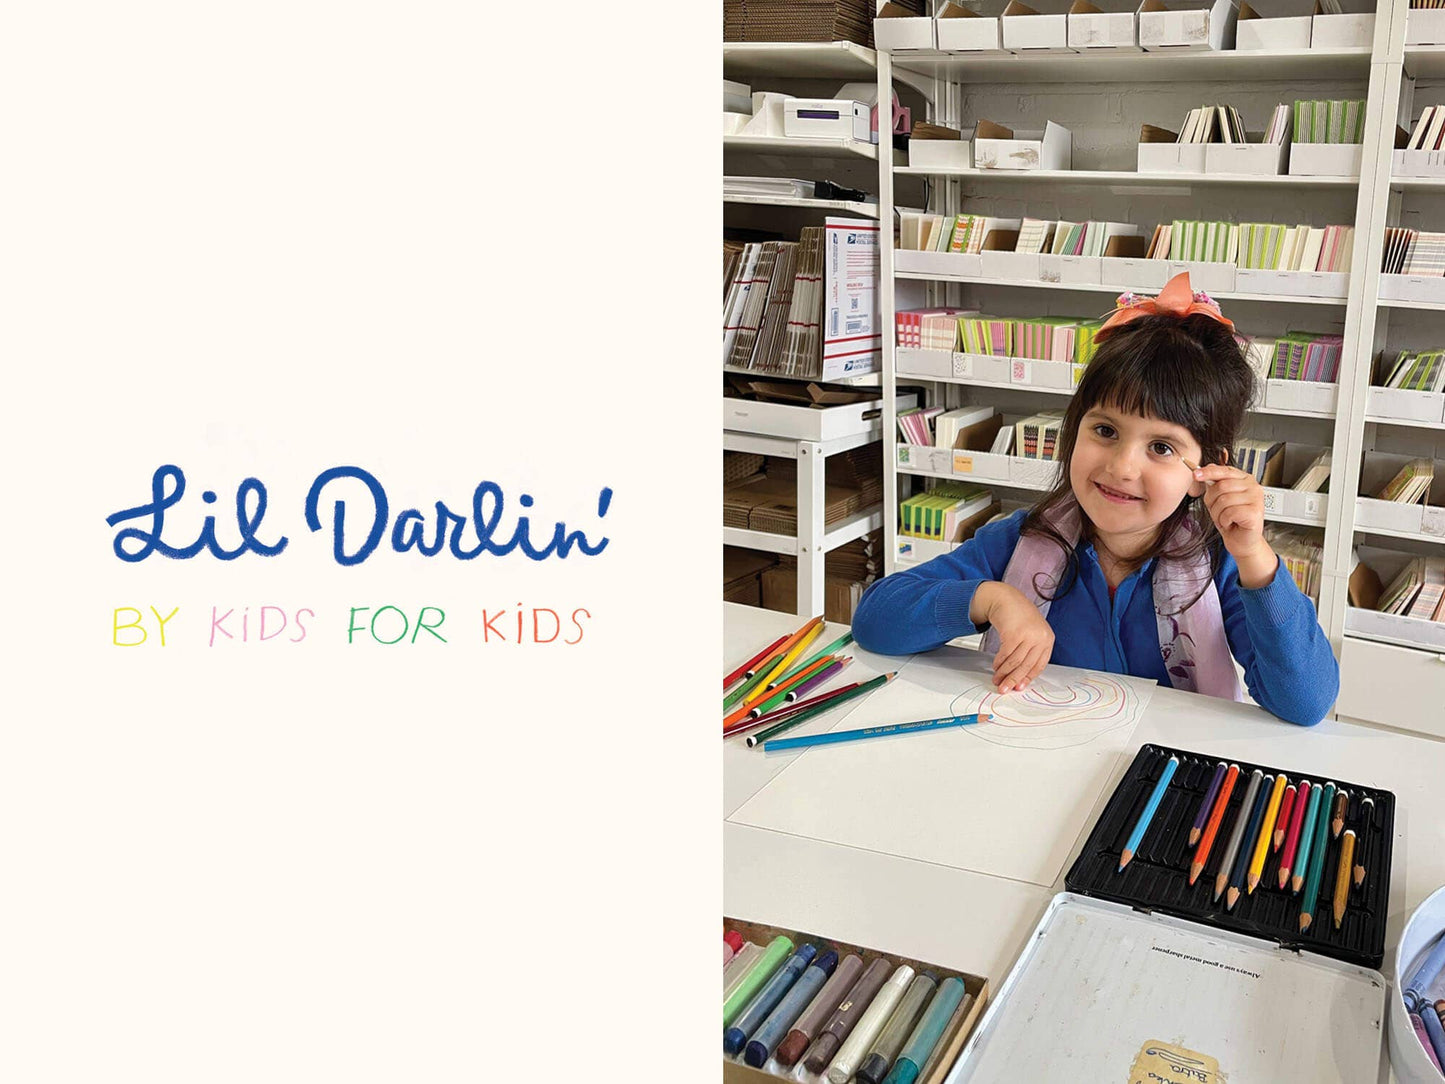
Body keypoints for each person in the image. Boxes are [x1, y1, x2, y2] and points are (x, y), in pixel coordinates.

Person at [852, 273, 1339, 727]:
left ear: (1205, 471)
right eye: (1105, 430)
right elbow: (875, 620)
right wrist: (990, 598)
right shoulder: (1020, 540)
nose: (1123, 467)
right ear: (1073, 431)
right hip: (1041, 758)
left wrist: (1255, 558)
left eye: (1162, 447)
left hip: (1163, 775)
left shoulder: (1218, 565)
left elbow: (1307, 703)